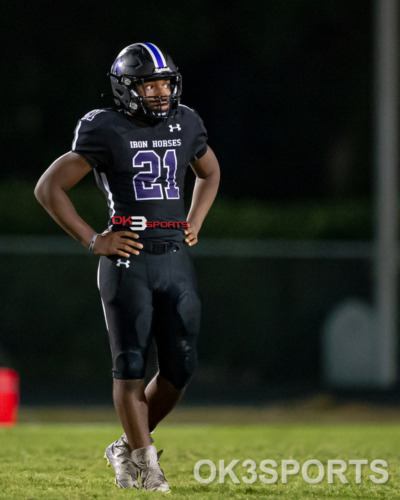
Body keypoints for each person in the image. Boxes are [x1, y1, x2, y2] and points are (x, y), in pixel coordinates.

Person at [34, 42, 220, 492]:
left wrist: (194, 221)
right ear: (125, 89)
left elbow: (209, 172)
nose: (159, 91)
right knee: (131, 364)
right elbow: (49, 187)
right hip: (129, 258)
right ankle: (142, 463)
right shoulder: (104, 127)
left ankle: (126, 445)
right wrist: (93, 238)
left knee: (181, 367)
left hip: (174, 255)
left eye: (163, 82)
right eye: (148, 84)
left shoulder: (186, 121)